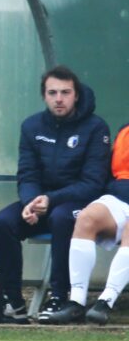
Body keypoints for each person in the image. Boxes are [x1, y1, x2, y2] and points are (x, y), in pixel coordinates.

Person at [0, 65, 111, 324]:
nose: (59, 99)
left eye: (65, 92)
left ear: (76, 95)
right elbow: (27, 173)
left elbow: (93, 183)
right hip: (41, 201)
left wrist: (51, 199)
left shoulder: (96, 128)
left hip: (81, 205)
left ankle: (59, 297)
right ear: (44, 95)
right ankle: (13, 302)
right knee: (3, 222)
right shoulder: (32, 126)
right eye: (52, 92)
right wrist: (29, 203)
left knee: (61, 217)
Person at [48, 123, 129, 325]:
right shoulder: (125, 131)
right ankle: (76, 301)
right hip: (121, 198)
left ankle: (106, 301)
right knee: (86, 218)